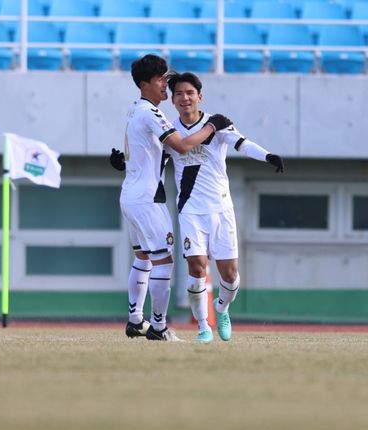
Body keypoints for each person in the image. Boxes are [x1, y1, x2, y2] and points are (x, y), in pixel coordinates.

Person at [115, 55, 233, 341]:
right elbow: (180, 146)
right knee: (163, 261)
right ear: (145, 84)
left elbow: (149, 151)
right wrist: (211, 127)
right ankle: (159, 327)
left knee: (143, 257)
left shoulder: (135, 109)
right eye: (160, 80)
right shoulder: (151, 113)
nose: (166, 84)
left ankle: (135, 320)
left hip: (131, 193)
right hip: (147, 198)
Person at [165, 72, 284, 342]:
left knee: (229, 275)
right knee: (196, 266)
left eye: (189, 93)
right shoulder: (169, 132)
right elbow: (153, 159)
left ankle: (222, 309)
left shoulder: (218, 124)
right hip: (190, 209)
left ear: (199, 96)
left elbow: (242, 143)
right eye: (179, 94)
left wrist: (267, 156)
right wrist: (125, 164)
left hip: (221, 209)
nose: (185, 98)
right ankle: (203, 326)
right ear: (173, 100)